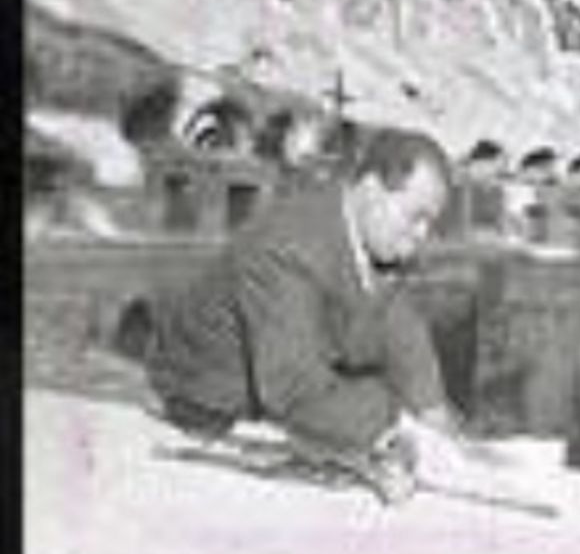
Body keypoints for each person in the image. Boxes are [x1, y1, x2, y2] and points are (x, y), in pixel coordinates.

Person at [146, 127, 475, 503]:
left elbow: (399, 323)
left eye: (431, 224)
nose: (422, 235)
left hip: (285, 408)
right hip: (208, 414)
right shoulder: (289, 246)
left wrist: (433, 411)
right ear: (370, 189)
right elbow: (294, 389)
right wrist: (392, 426)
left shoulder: (371, 239)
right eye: (416, 217)